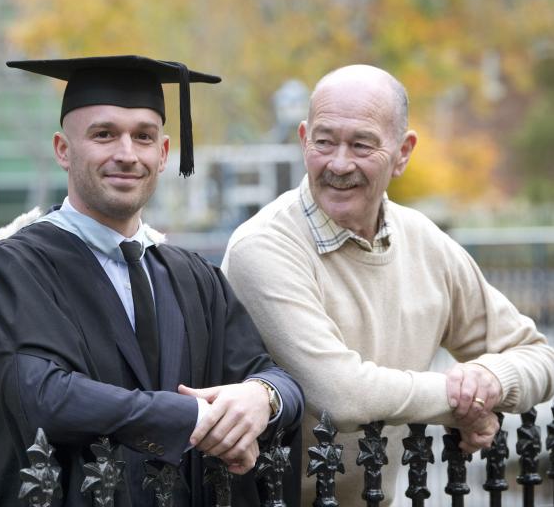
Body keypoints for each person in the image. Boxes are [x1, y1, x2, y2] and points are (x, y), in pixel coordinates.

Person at [0, 55, 304, 507]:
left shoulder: (192, 276)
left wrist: (263, 397)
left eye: (144, 137)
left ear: (165, 153)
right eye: (104, 134)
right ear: (62, 149)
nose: (127, 154)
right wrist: (188, 416)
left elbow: (271, 374)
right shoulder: (7, 270)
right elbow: (42, 397)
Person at [221, 64, 554, 506]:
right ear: (303, 139)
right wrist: (460, 405)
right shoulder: (263, 247)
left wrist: (490, 378)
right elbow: (340, 395)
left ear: (403, 152)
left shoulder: (427, 243)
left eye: (362, 144)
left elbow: (539, 355)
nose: (339, 163)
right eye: (324, 141)